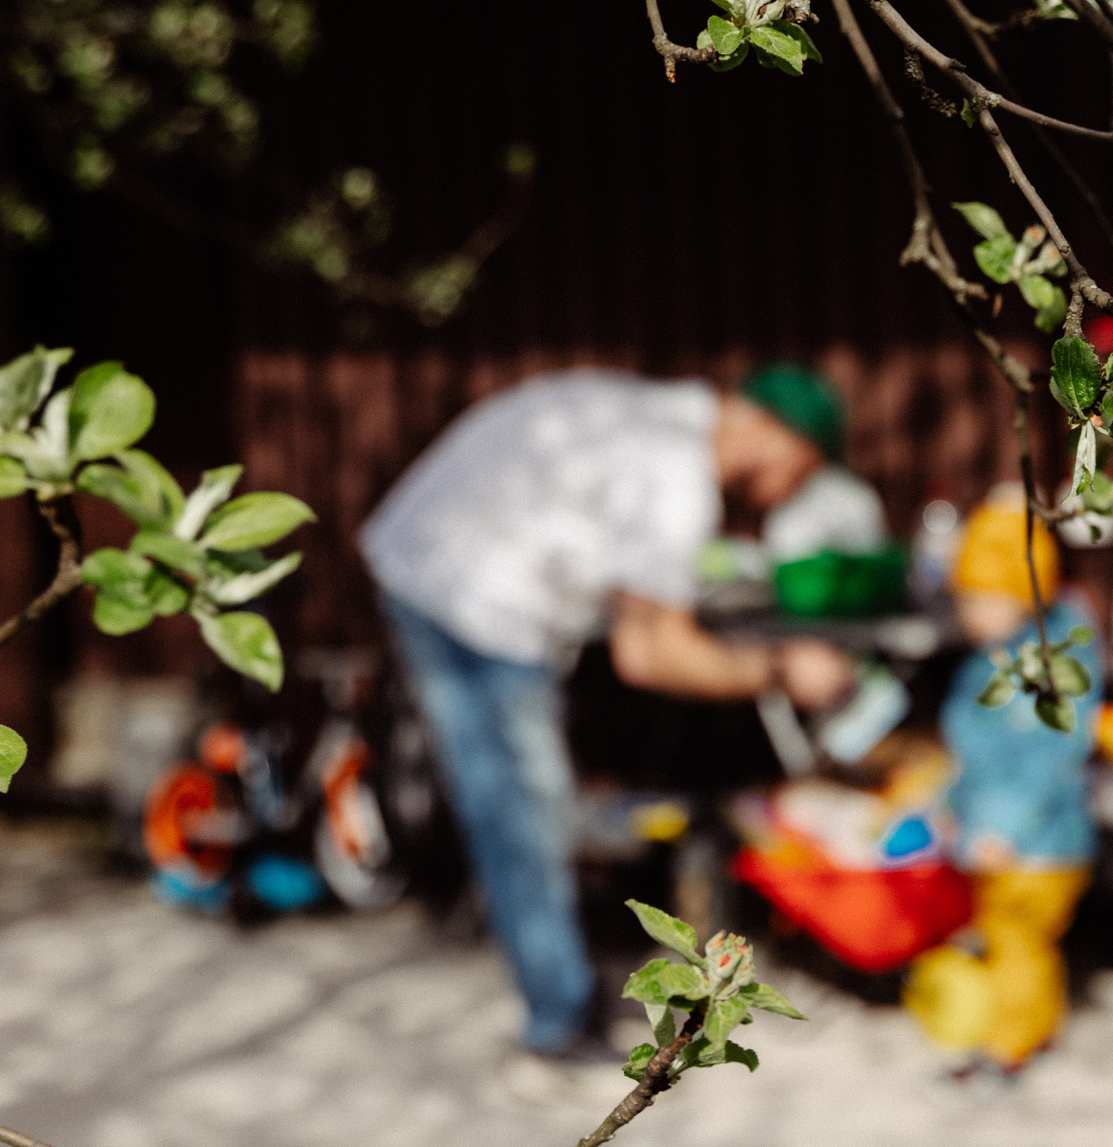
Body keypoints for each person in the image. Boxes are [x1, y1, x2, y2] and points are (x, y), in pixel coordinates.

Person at [360, 364, 856, 1064]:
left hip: (437, 559)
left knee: (529, 801)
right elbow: (649, 655)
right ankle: (559, 1028)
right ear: (768, 434)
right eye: (802, 473)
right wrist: (781, 671)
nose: (794, 494)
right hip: (469, 591)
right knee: (523, 809)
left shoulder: (669, 420)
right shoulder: (674, 474)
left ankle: (561, 999)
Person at [902, 489, 1100, 1077]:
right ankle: (1028, 1030)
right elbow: (974, 753)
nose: (970, 617)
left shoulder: (1053, 664)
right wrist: (947, 801)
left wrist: (1004, 828)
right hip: (991, 837)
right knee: (1004, 941)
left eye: (984, 602)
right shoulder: (984, 662)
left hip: (1039, 845)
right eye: (965, 603)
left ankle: (1009, 1049)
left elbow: (1053, 756)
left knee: (1017, 945)